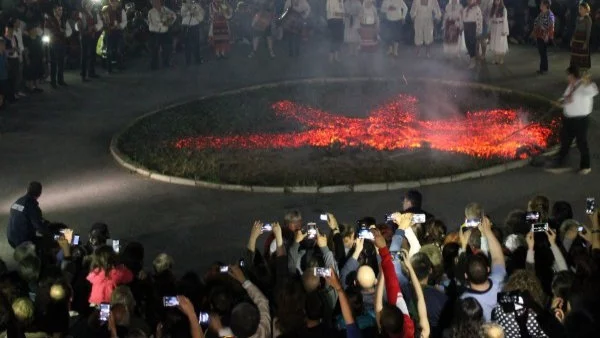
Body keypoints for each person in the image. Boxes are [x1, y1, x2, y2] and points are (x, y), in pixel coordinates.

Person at [546, 66, 598, 175]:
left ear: (572, 75)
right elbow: (567, 98)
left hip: (580, 120)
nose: (567, 78)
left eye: (568, 75)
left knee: (581, 142)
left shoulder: (583, 85)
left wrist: (587, 82)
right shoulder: (571, 86)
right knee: (565, 141)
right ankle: (561, 164)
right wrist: (561, 103)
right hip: (568, 119)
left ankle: (586, 166)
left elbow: (593, 91)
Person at [460, 217, 506, 321]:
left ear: (466, 276)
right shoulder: (499, 280)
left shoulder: (465, 300)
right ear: (488, 269)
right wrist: (488, 232)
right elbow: (497, 257)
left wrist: (463, 245)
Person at [7, 182, 49, 249]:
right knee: (47, 242)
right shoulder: (33, 207)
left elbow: (24, 215)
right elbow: (39, 228)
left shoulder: (18, 201)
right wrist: (50, 233)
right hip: (22, 241)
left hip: (11, 239)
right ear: (39, 194)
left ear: (27, 190)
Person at [44, 3, 72, 88]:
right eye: (57, 10)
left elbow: (69, 31)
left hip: (62, 43)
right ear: (54, 11)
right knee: (54, 63)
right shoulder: (49, 20)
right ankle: (53, 81)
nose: (59, 12)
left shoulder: (64, 20)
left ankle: (60, 80)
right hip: (54, 43)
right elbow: (46, 32)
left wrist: (64, 32)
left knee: (61, 63)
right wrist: (56, 34)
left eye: (60, 10)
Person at [76, 0, 103, 81]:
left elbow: (100, 23)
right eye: (88, 4)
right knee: (84, 56)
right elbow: (78, 26)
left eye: (90, 4)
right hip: (84, 37)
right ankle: (83, 75)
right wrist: (84, 29)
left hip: (92, 36)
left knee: (92, 54)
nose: (90, 5)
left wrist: (95, 27)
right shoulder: (81, 13)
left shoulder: (94, 12)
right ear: (84, 5)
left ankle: (91, 72)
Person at [148, 0, 177, 69]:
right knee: (154, 50)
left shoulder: (165, 9)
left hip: (165, 32)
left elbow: (174, 15)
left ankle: (166, 63)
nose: (157, 3)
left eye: (158, 1)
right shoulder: (151, 12)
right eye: (154, 2)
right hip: (155, 33)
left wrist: (169, 22)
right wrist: (164, 22)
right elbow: (155, 22)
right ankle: (154, 65)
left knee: (167, 48)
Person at [102, 0, 128, 73]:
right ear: (110, 2)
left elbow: (125, 21)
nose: (114, 3)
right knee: (109, 51)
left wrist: (119, 26)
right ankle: (109, 69)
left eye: (115, 1)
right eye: (112, 1)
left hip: (118, 33)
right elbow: (104, 21)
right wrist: (109, 27)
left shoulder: (121, 10)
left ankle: (120, 66)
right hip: (109, 33)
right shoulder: (105, 10)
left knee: (119, 50)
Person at [532, 0, 554, 75]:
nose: (540, 5)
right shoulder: (541, 13)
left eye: (541, 4)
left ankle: (543, 68)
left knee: (543, 52)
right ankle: (543, 68)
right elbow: (536, 22)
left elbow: (551, 27)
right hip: (539, 34)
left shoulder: (549, 14)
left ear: (545, 5)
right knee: (542, 52)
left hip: (544, 35)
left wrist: (548, 35)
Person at [181, 0, 205, 65]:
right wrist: (189, 12)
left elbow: (202, 14)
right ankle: (188, 60)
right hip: (187, 26)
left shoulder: (197, 6)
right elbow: (182, 13)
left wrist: (196, 13)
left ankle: (198, 59)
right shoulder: (184, 5)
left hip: (195, 26)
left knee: (196, 44)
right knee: (187, 45)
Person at [570, 2, 592, 72]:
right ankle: (576, 72)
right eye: (579, 9)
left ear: (586, 9)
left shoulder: (588, 19)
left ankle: (583, 74)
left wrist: (586, 42)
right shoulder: (578, 18)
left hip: (582, 40)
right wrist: (572, 38)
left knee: (582, 57)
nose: (579, 10)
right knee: (575, 57)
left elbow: (588, 32)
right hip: (577, 40)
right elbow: (575, 30)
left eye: (581, 9)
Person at [22, 23, 44, 93]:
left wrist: (43, 56)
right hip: (31, 57)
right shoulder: (27, 39)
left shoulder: (38, 38)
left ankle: (37, 86)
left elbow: (41, 48)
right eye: (33, 29)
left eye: (35, 29)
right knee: (31, 72)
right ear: (30, 31)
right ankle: (31, 87)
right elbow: (26, 49)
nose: (34, 31)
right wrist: (27, 58)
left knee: (37, 71)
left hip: (38, 57)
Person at [462, 0, 483, 69]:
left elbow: (479, 20)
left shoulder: (476, 8)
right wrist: (462, 27)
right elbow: (463, 19)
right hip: (466, 27)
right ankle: (472, 59)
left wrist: (478, 31)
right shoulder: (465, 8)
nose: (469, 1)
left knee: (472, 44)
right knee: (467, 43)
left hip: (472, 27)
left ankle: (473, 61)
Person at [3, 19, 20, 103]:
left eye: (12, 30)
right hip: (9, 60)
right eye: (9, 30)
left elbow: (16, 46)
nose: (10, 31)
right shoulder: (4, 39)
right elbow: (3, 51)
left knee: (14, 78)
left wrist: (17, 51)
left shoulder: (14, 37)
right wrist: (11, 50)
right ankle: (8, 96)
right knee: (9, 78)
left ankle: (12, 94)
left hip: (15, 58)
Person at [488, 0, 508, 64]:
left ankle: (501, 59)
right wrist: (489, 30)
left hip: (500, 27)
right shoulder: (492, 8)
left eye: (498, 0)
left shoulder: (503, 9)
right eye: (495, 0)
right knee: (494, 43)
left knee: (501, 43)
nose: (496, 1)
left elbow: (505, 20)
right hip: (494, 27)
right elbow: (490, 20)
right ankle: (495, 58)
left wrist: (504, 30)